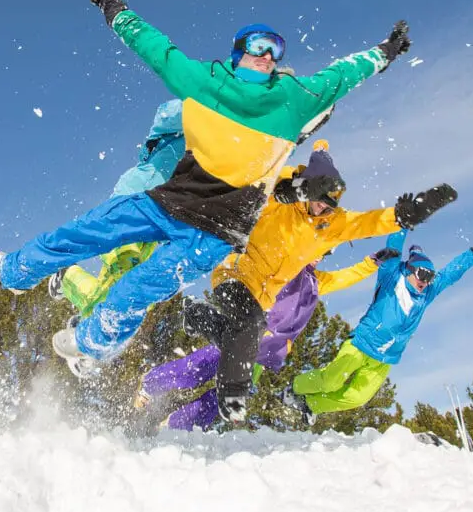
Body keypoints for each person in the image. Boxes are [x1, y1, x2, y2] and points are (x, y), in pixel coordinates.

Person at [0, 0, 412, 422]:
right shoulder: (206, 82)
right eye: (258, 46)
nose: (267, 55)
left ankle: (92, 341)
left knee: (139, 288)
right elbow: (158, 50)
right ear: (238, 52)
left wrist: (386, 52)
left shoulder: (294, 99)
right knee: (87, 231)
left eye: (275, 49)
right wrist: (113, 10)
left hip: (214, 234)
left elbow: (345, 74)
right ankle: (16, 270)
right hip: (166, 202)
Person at [182, 140, 458, 421]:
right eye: (317, 201)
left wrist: (403, 216)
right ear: (307, 190)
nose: (321, 210)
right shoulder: (281, 201)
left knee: (246, 334)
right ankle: (231, 394)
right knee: (249, 328)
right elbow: (255, 187)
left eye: (328, 206)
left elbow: (368, 223)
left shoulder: (332, 226)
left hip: (263, 295)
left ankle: (197, 316)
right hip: (235, 271)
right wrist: (288, 189)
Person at [136, 247, 396, 432]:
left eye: (325, 253)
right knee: (201, 367)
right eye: (317, 249)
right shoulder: (284, 266)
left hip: (267, 353)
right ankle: (150, 385)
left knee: (226, 397)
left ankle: (176, 427)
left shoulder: (317, 281)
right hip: (247, 336)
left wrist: (371, 263)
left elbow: (344, 278)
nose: (319, 256)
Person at [282, 227, 473, 424]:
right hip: (361, 344)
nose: (426, 281)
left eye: (430, 277)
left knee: (357, 397)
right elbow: (393, 249)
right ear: (409, 270)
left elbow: (450, 273)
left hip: (385, 358)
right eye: (422, 274)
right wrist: (403, 225)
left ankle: (310, 405)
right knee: (330, 381)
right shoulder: (392, 276)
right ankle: (294, 387)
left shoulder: (427, 293)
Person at [50, 99, 186, 317]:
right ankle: (93, 317)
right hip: (131, 205)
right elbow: (165, 115)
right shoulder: (187, 126)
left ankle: (74, 287)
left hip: (156, 226)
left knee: (138, 290)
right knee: (125, 274)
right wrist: (202, 107)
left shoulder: (214, 152)